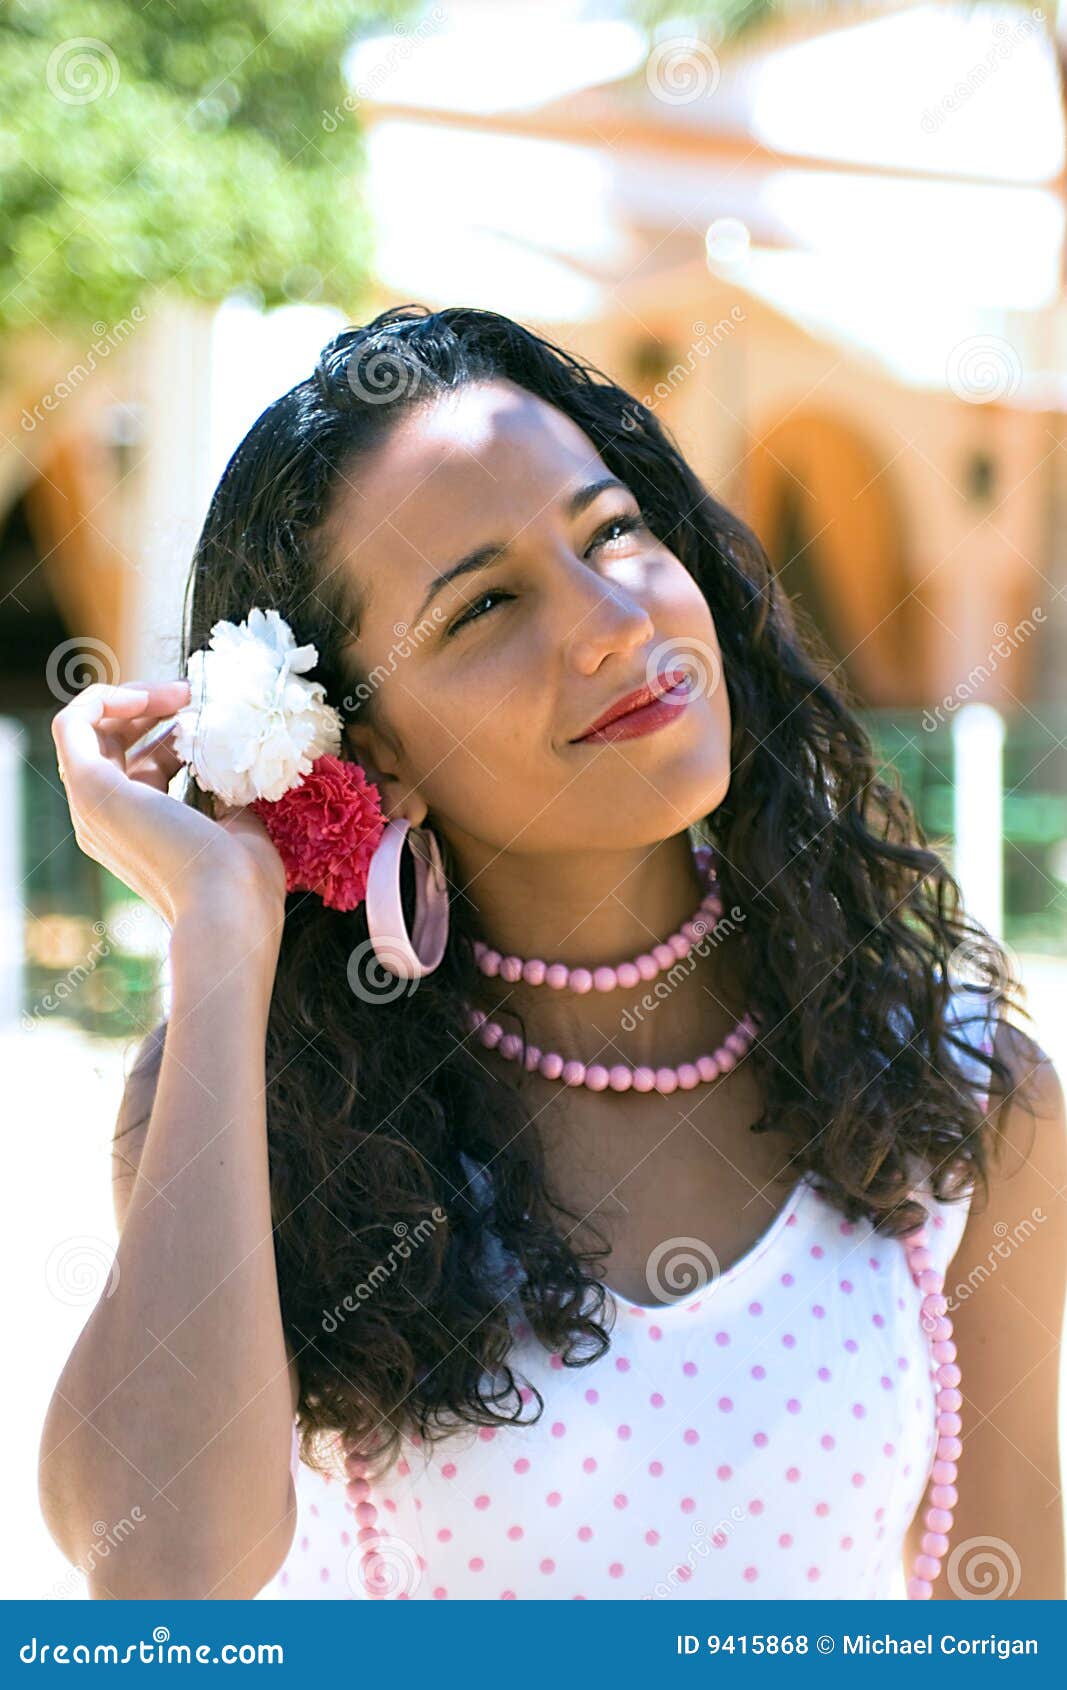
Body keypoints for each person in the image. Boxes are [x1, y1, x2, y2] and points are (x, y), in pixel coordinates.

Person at [40, 304, 1066, 1601]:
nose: (610, 621)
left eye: (613, 531)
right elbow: (160, 1591)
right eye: (483, 606)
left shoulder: (962, 1092)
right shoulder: (259, 1101)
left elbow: (1010, 1615)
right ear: (373, 751)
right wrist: (224, 936)